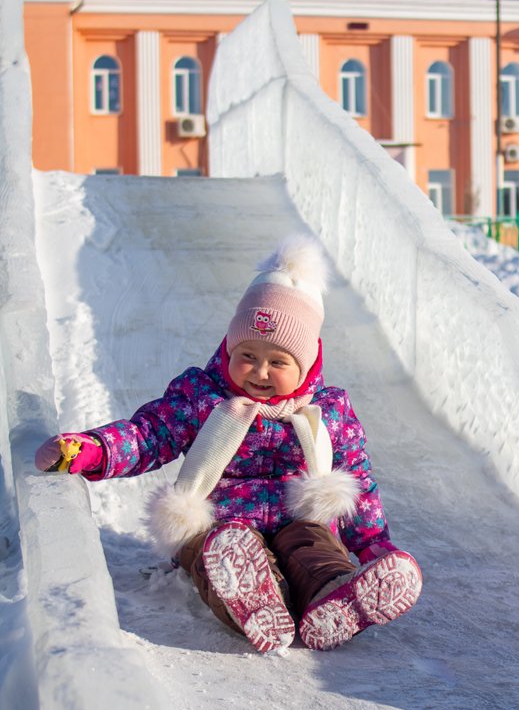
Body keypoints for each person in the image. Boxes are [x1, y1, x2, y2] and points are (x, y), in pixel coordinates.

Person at [35, 234, 422, 653]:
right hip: (221, 526)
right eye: (247, 355)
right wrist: (92, 449)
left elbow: (358, 481)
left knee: (315, 550)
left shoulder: (326, 413)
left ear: (307, 364)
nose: (259, 370)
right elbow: (149, 435)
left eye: (278, 362)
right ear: (228, 349)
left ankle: (334, 595)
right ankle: (254, 603)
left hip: (299, 522)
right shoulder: (203, 397)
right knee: (219, 554)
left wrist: (372, 545)